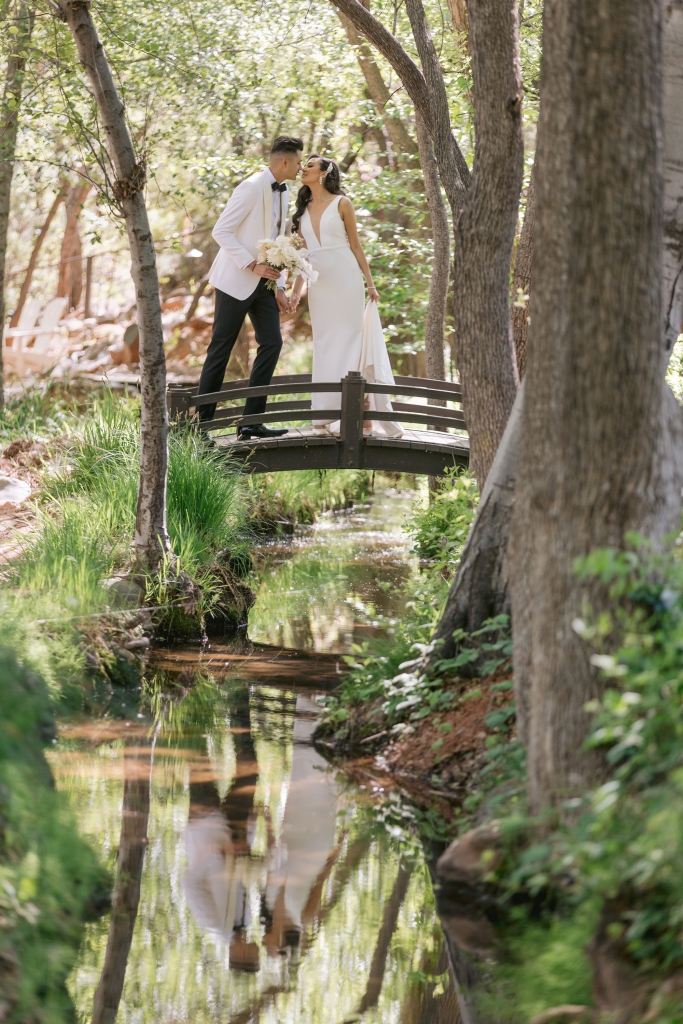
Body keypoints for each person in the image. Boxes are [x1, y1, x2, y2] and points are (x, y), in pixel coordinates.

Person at [197, 135, 303, 438]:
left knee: (272, 343)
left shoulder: (283, 193)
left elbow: (277, 245)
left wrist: (280, 286)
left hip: (265, 285)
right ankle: (201, 426)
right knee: (221, 348)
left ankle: (250, 422)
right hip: (235, 281)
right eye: (297, 162)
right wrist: (251, 264)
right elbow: (222, 231)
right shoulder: (250, 187)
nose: (298, 168)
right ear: (285, 161)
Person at [288, 155, 402, 437]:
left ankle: (357, 416)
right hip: (320, 285)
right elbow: (304, 258)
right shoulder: (301, 211)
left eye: (310, 166)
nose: (303, 168)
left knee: (352, 341)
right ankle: (325, 413)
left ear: (325, 173)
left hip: (346, 278)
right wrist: (294, 293)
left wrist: (370, 284)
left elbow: (356, 246)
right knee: (326, 343)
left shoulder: (342, 203)